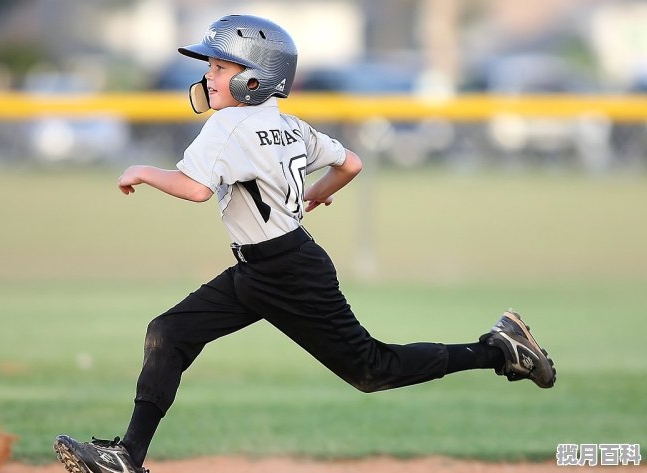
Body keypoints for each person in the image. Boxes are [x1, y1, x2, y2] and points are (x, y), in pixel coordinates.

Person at [53, 14, 556, 473]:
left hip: (286, 273)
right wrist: (312, 196)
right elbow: (350, 163)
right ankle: (127, 457)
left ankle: (497, 349)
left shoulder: (228, 124)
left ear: (256, 76)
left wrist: (142, 170)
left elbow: (196, 189)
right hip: (269, 266)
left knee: (371, 370)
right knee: (169, 332)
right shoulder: (287, 123)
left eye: (221, 64)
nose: (209, 73)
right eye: (211, 62)